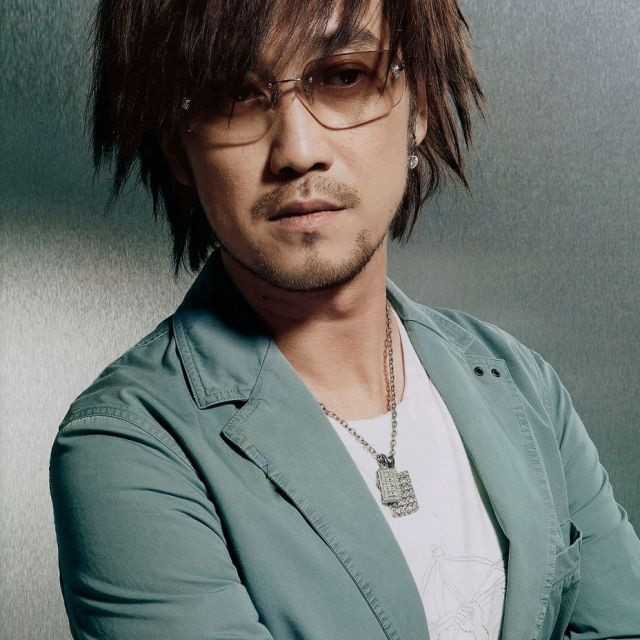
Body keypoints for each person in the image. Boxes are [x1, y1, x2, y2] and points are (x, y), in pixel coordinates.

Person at [49, 0, 640, 638]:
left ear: (420, 105)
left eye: (344, 77)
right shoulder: (129, 446)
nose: (298, 151)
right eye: (236, 96)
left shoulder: (521, 385)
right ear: (177, 148)